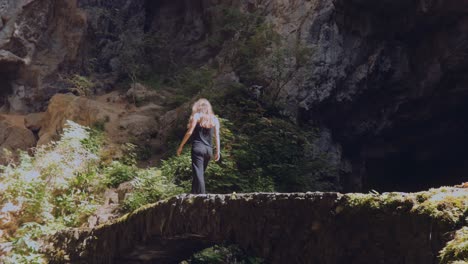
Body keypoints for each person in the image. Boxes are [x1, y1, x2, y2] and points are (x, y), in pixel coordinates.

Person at [177, 98, 220, 194]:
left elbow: (190, 132)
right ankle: (194, 194)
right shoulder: (215, 119)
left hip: (198, 148)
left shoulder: (197, 116)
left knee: (198, 174)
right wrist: (218, 151)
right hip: (209, 150)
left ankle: (202, 198)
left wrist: (181, 146)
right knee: (199, 174)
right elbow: (216, 136)